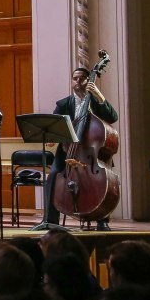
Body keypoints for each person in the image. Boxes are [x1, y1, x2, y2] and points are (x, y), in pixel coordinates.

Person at [41, 65, 118, 230]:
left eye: (82, 78)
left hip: (92, 153)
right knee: (53, 175)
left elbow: (113, 117)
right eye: (75, 78)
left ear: (88, 80)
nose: (78, 82)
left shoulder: (96, 104)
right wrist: (52, 138)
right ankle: (50, 220)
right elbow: (54, 126)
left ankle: (102, 220)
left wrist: (99, 94)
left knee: (106, 179)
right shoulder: (63, 104)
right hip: (68, 152)